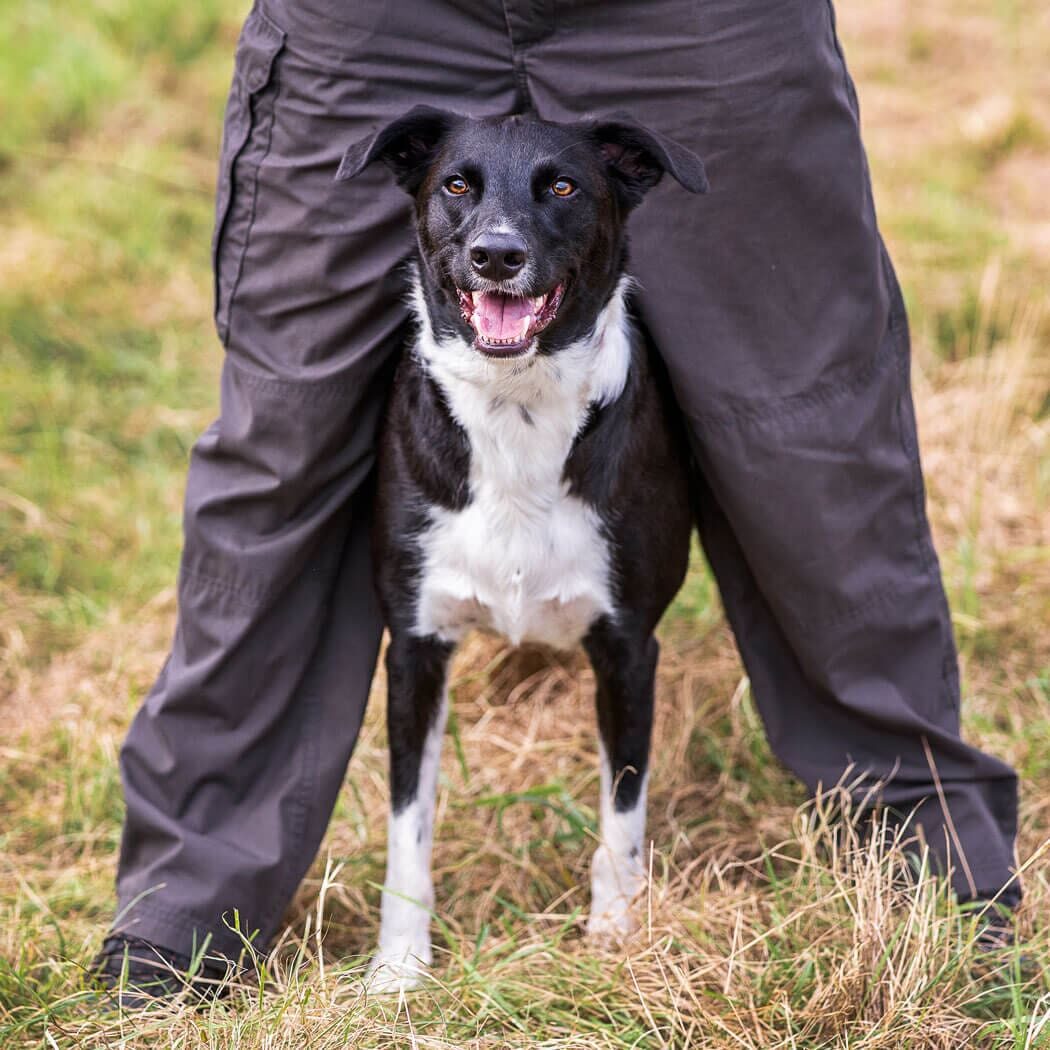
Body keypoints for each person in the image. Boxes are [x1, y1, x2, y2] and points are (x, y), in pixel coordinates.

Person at [93, 0, 1021, 1003]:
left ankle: (934, 875)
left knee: (814, 439)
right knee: (284, 431)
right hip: (376, 18)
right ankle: (187, 908)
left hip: (697, 19)